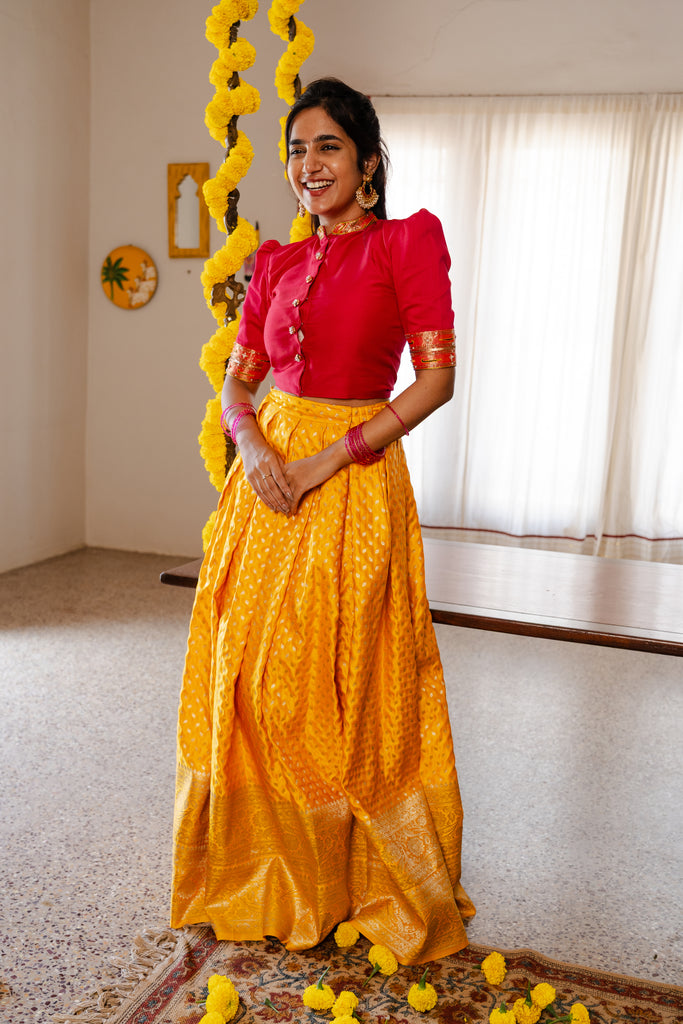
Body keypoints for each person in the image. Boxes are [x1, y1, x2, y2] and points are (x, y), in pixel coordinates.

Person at [171, 78, 475, 965]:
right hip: (264, 485)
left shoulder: (407, 243)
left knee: (337, 682)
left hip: (351, 481)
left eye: (328, 146)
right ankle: (257, 868)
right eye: (297, 150)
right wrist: (252, 446)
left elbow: (435, 380)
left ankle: (346, 877)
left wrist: (322, 460)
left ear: (367, 162)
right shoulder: (273, 262)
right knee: (248, 674)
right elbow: (237, 381)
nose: (309, 164)